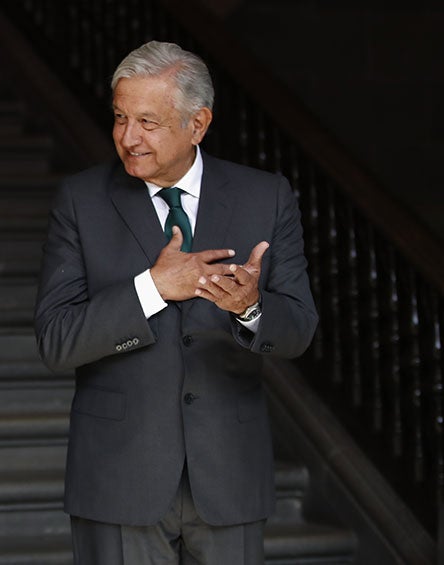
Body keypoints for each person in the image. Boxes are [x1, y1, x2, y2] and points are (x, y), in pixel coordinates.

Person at [34, 41, 318, 564]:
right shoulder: (82, 200)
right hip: (119, 479)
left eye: (148, 121)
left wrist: (251, 309)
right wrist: (153, 289)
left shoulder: (265, 196)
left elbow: (299, 329)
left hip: (229, 478)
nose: (128, 137)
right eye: (120, 117)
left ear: (198, 123)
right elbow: (56, 340)